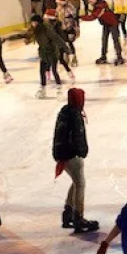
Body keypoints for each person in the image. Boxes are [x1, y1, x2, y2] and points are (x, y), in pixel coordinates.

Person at [52, 88, 96, 232]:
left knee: (76, 182)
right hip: (70, 155)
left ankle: (68, 213)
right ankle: (78, 217)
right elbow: (78, 136)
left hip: (61, 153)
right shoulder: (75, 115)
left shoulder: (64, 111)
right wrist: (82, 152)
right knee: (80, 184)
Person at [26, 14, 63, 98]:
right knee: (42, 71)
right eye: (32, 22)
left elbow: (57, 38)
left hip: (52, 52)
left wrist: (67, 50)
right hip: (44, 53)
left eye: (34, 22)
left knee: (54, 71)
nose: (33, 24)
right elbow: (28, 36)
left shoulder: (47, 29)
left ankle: (59, 90)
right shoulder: (34, 30)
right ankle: (42, 88)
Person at [83, 0, 123, 65]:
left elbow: (93, 16)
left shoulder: (100, 6)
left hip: (113, 23)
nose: (90, 3)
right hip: (106, 24)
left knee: (115, 40)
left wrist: (81, 17)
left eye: (91, 2)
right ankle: (103, 56)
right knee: (104, 40)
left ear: (94, 1)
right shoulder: (98, 5)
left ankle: (119, 56)